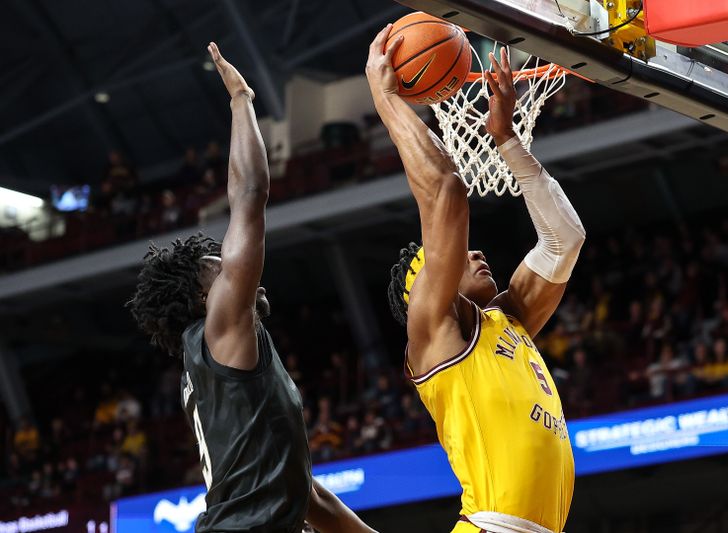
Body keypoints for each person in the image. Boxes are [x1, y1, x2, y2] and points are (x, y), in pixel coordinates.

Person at [128, 42, 376, 533]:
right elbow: (249, 193)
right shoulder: (218, 333)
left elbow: (306, 494)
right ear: (207, 299)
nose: (237, 270)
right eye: (218, 269)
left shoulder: (214, 368)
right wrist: (241, 99)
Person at [368, 27, 585, 533]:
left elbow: (564, 240)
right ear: (425, 285)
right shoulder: (433, 332)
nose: (474, 251)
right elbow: (444, 191)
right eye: (451, 255)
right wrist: (385, 95)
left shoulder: (508, 320)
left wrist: (507, 138)